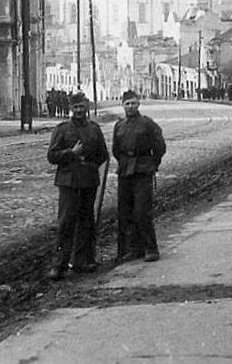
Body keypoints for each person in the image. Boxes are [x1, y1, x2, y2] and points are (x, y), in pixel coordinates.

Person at [45, 91, 110, 280]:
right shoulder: (62, 129)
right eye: (75, 107)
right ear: (70, 109)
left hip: (88, 181)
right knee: (65, 223)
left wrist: (89, 165)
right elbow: (52, 156)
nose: (79, 110)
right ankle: (60, 264)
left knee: (87, 221)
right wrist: (72, 154)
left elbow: (102, 154)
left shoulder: (94, 129)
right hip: (68, 182)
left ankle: (84, 260)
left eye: (82, 106)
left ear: (86, 107)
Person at [112, 89, 167, 262]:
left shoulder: (147, 124)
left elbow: (159, 146)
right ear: (122, 106)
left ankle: (151, 248)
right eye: (127, 104)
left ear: (139, 104)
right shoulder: (119, 126)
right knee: (125, 212)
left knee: (142, 211)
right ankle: (132, 250)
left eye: (133, 103)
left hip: (143, 170)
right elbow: (116, 149)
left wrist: (153, 163)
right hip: (125, 171)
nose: (130, 107)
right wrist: (124, 162)